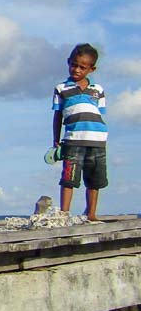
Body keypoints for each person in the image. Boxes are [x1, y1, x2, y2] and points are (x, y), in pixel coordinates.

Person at [53, 43, 106, 220]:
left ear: (91, 69)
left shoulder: (98, 90)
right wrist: (56, 139)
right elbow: (58, 116)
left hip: (97, 140)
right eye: (73, 65)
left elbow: (100, 113)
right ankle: (64, 213)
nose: (76, 69)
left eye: (82, 67)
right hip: (73, 139)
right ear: (68, 62)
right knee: (68, 177)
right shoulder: (61, 89)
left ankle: (91, 213)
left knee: (94, 179)